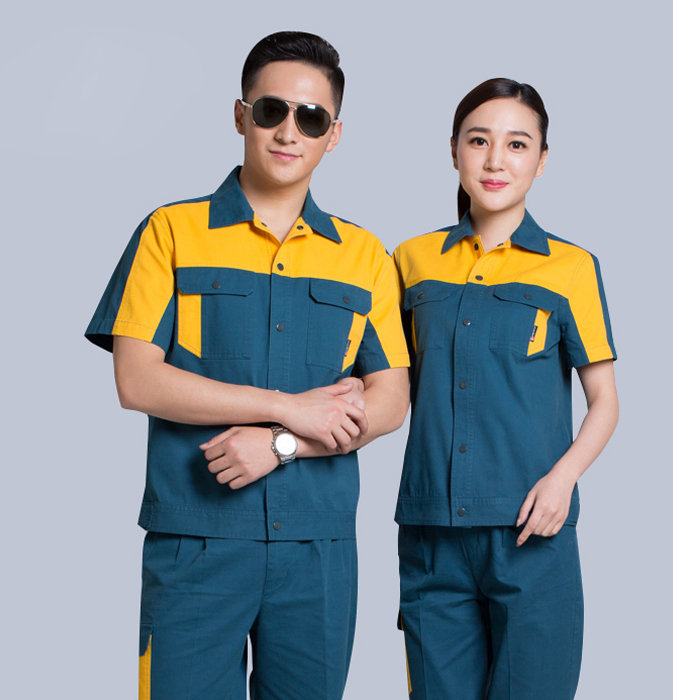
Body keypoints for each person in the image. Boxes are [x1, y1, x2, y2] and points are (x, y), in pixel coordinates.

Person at [85, 31, 409, 700]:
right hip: (195, 543)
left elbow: (391, 400)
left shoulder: (365, 258)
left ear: (333, 135)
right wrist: (288, 408)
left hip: (319, 551)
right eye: (271, 111)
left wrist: (283, 444)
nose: (289, 131)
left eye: (311, 118)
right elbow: (136, 379)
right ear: (241, 116)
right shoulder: (170, 233)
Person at [393, 78, 619, 700]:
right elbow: (384, 386)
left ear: (541, 160)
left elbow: (605, 401)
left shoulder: (571, 267)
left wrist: (563, 479)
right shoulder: (410, 261)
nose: (496, 160)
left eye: (517, 144)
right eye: (479, 141)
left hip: (532, 532)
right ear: (454, 151)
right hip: (431, 532)